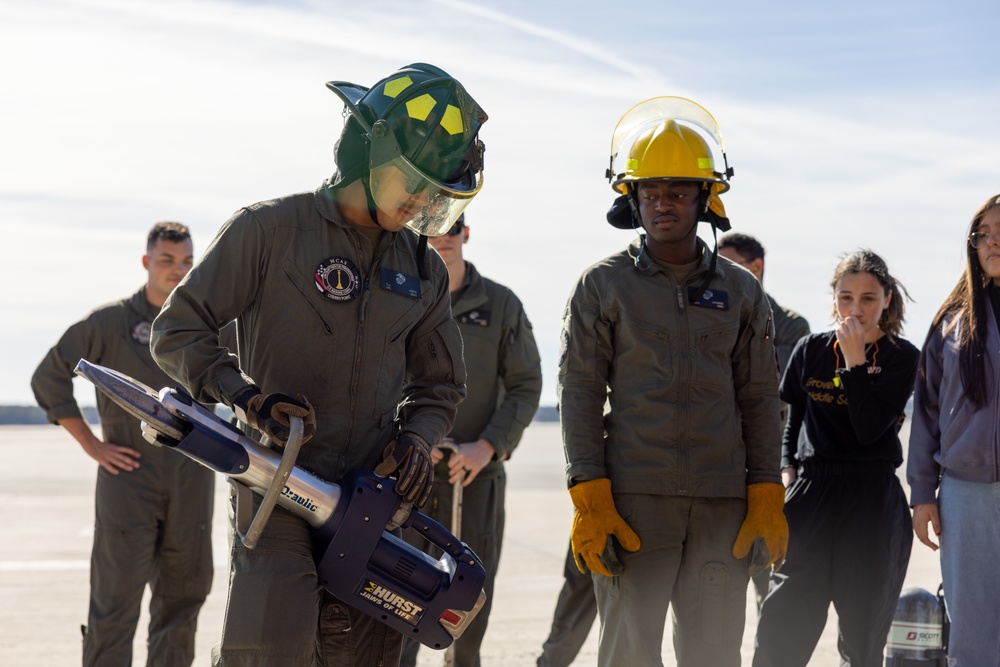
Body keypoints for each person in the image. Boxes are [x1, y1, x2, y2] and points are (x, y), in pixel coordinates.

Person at [149, 64, 488, 667]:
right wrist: (245, 397)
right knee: (271, 645)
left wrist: (417, 439)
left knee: (370, 652)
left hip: (375, 499)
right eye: (411, 182)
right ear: (369, 151)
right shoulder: (270, 230)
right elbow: (177, 329)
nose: (418, 203)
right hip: (277, 483)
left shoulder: (423, 269)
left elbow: (440, 385)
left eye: (431, 192)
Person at [558, 96, 787, 667]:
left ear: (706, 198)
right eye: (651, 191)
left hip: (721, 504)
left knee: (714, 654)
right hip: (633, 504)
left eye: (680, 191)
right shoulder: (601, 287)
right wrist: (590, 496)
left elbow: (759, 397)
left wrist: (765, 491)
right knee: (628, 654)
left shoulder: (741, 291)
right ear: (632, 198)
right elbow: (580, 393)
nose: (664, 203)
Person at [31, 222, 215, 667]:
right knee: (114, 605)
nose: (178, 269)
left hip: (192, 479)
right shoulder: (109, 323)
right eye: (168, 260)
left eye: (187, 261)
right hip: (128, 479)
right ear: (147, 262)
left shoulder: (204, 327)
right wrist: (93, 445)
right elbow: (49, 377)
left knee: (182, 603)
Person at [753, 249, 918, 667]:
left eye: (868, 298)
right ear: (834, 299)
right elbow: (794, 419)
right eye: (846, 297)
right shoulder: (811, 349)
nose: (856, 308)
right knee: (781, 628)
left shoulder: (903, 358)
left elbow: (868, 429)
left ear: (887, 301)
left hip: (871, 501)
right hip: (811, 494)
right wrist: (788, 466)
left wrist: (856, 362)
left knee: (862, 640)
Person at [399, 213, 543, 667]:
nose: (442, 239)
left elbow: (525, 385)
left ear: (466, 232)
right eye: (431, 230)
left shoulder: (500, 305)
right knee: (394, 604)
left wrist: (488, 446)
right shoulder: (399, 297)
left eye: (451, 228)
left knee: (468, 611)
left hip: (476, 480)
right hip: (406, 477)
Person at [909, 194, 1000, 666]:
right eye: (985, 233)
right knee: (973, 626)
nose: (994, 241)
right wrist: (923, 492)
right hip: (966, 494)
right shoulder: (951, 323)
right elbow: (925, 413)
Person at [718, 231, 810, 612]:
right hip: (720, 466)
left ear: (755, 268)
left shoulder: (790, 326)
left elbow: (775, 385)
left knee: (770, 589)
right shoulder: (711, 320)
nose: (717, 274)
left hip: (768, 471)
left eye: (728, 265)